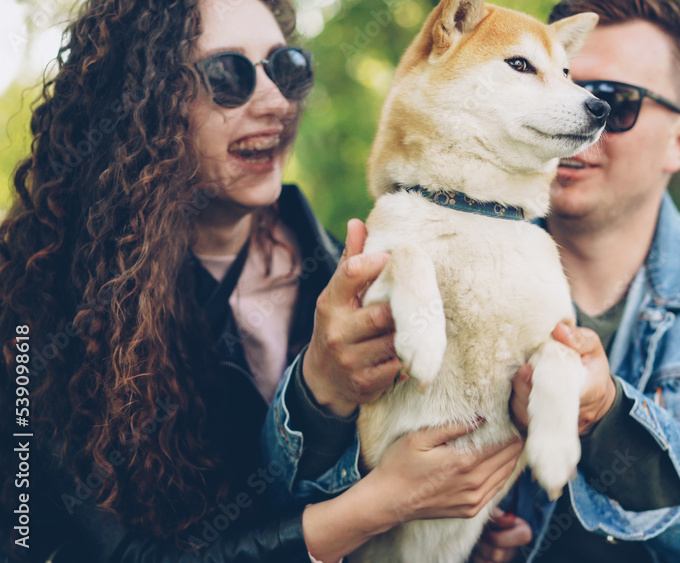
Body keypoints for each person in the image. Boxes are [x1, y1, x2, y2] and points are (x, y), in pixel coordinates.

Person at [0, 0, 521, 560]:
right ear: (141, 102)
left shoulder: (345, 270)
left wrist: (439, 532)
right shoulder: (40, 306)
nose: (276, 101)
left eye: (286, 68)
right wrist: (377, 506)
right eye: (228, 76)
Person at [470, 0, 680, 561]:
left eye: (612, 102)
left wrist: (606, 420)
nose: (570, 115)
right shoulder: (452, 250)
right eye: (554, 83)